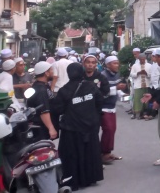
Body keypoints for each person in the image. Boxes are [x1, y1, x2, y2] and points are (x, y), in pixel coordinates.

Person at [51, 63, 104, 191]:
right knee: (90, 153)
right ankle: (90, 177)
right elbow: (99, 103)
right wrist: (94, 119)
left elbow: (57, 109)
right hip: (89, 128)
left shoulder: (64, 90)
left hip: (72, 129)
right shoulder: (91, 86)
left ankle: (73, 180)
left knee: (72, 155)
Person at [100, 56, 127, 164]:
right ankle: (103, 154)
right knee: (108, 130)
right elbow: (101, 92)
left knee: (112, 130)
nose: (117, 65)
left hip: (112, 107)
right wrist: (116, 88)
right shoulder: (103, 76)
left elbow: (117, 88)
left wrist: (123, 94)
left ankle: (108, 152)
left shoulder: (117, 74)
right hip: (104, 107)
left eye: (117, 63)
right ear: (108, 65)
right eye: (114, 63)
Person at [26, 62, 57, 141]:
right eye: (51, 70)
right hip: (41, 129)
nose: (52, 72)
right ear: (46, 73)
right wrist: (51, 128)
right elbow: (43, 111)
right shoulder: (41, 90)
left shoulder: (41, 85)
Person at [130, 54, 150, 120]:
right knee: (137, 100)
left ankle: (144, 113)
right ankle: (137, 114)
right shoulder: (135, 66)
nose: (142, 60)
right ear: (139, 59)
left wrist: (146, 73)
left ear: (145, 59)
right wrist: (138, 73)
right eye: (141, 59)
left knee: (146, 100)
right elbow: (131, 74)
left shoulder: (149, 65)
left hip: (147, 85)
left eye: (143, 59)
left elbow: (151, 75)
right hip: (138, 85)